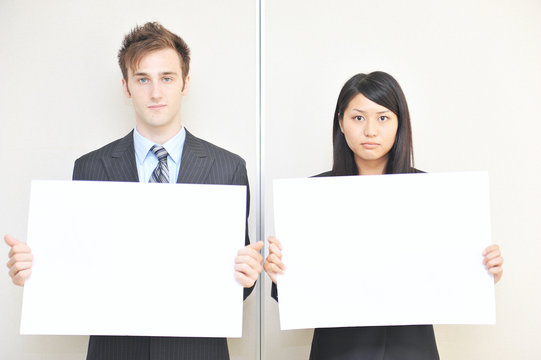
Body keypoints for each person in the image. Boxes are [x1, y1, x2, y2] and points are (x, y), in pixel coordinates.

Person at [5, 22, 263, 360]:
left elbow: (237, 284)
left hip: (197, 351)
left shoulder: (228, 168)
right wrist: (36, 272)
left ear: (185, 83)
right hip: (116, 350)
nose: (155, 92)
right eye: (143, 79)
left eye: (166, 78)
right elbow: (79, 269)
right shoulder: (90, 168)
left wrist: (247, 277)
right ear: (126, 87)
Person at [263, 71, 504, 360]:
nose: (371, 131)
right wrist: (282, 277)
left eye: (383, 118)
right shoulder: (311, 197)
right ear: (341, 122)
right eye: (358, 118)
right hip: (338, 351)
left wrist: (483, 271)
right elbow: (300, 294)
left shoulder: (433, 195)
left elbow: (452, 275)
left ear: (399, 123)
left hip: (412, 350)